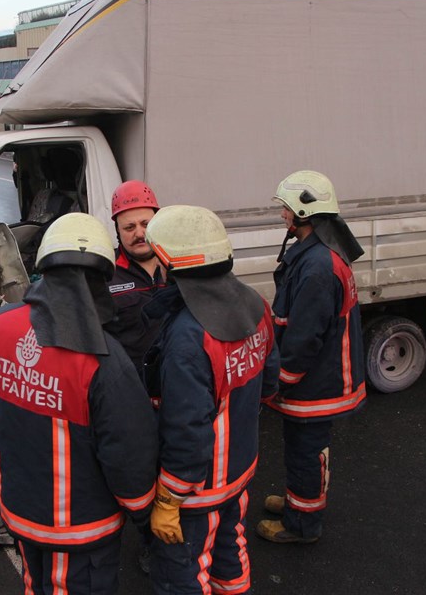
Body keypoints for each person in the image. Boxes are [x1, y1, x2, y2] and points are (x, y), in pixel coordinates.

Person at [0, 213, 158, 594]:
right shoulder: (104, 361)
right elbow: (129, 453)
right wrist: (144, 511)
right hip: (81, 530)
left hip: (20, 510)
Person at [142, 204, 279, 593]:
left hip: (195, 490)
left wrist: (168, 501)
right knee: (229, 549)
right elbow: (269, 383)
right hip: (238, 470)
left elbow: (186, 430)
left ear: (173, 261)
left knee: (181, 575)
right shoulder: (254, 304)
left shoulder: (189, 336)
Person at [256, 170, 367, 544]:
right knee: (300, 447)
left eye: (286, 210)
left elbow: (304, 338)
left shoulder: (317, 266)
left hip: (316, 382)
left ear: (304, 214)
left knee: (306, 451)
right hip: (318, 376)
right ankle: (297, 501)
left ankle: (301, 524)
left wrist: (280, 381)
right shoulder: (319, 254)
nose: (283, 216)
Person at [105, 180, 166, 371]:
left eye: (145, 224)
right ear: (117, 231)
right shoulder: (105, 273)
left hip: (174, 380)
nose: (139, 233)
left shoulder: (176, 265)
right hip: (130, 384)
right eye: (129, 228)